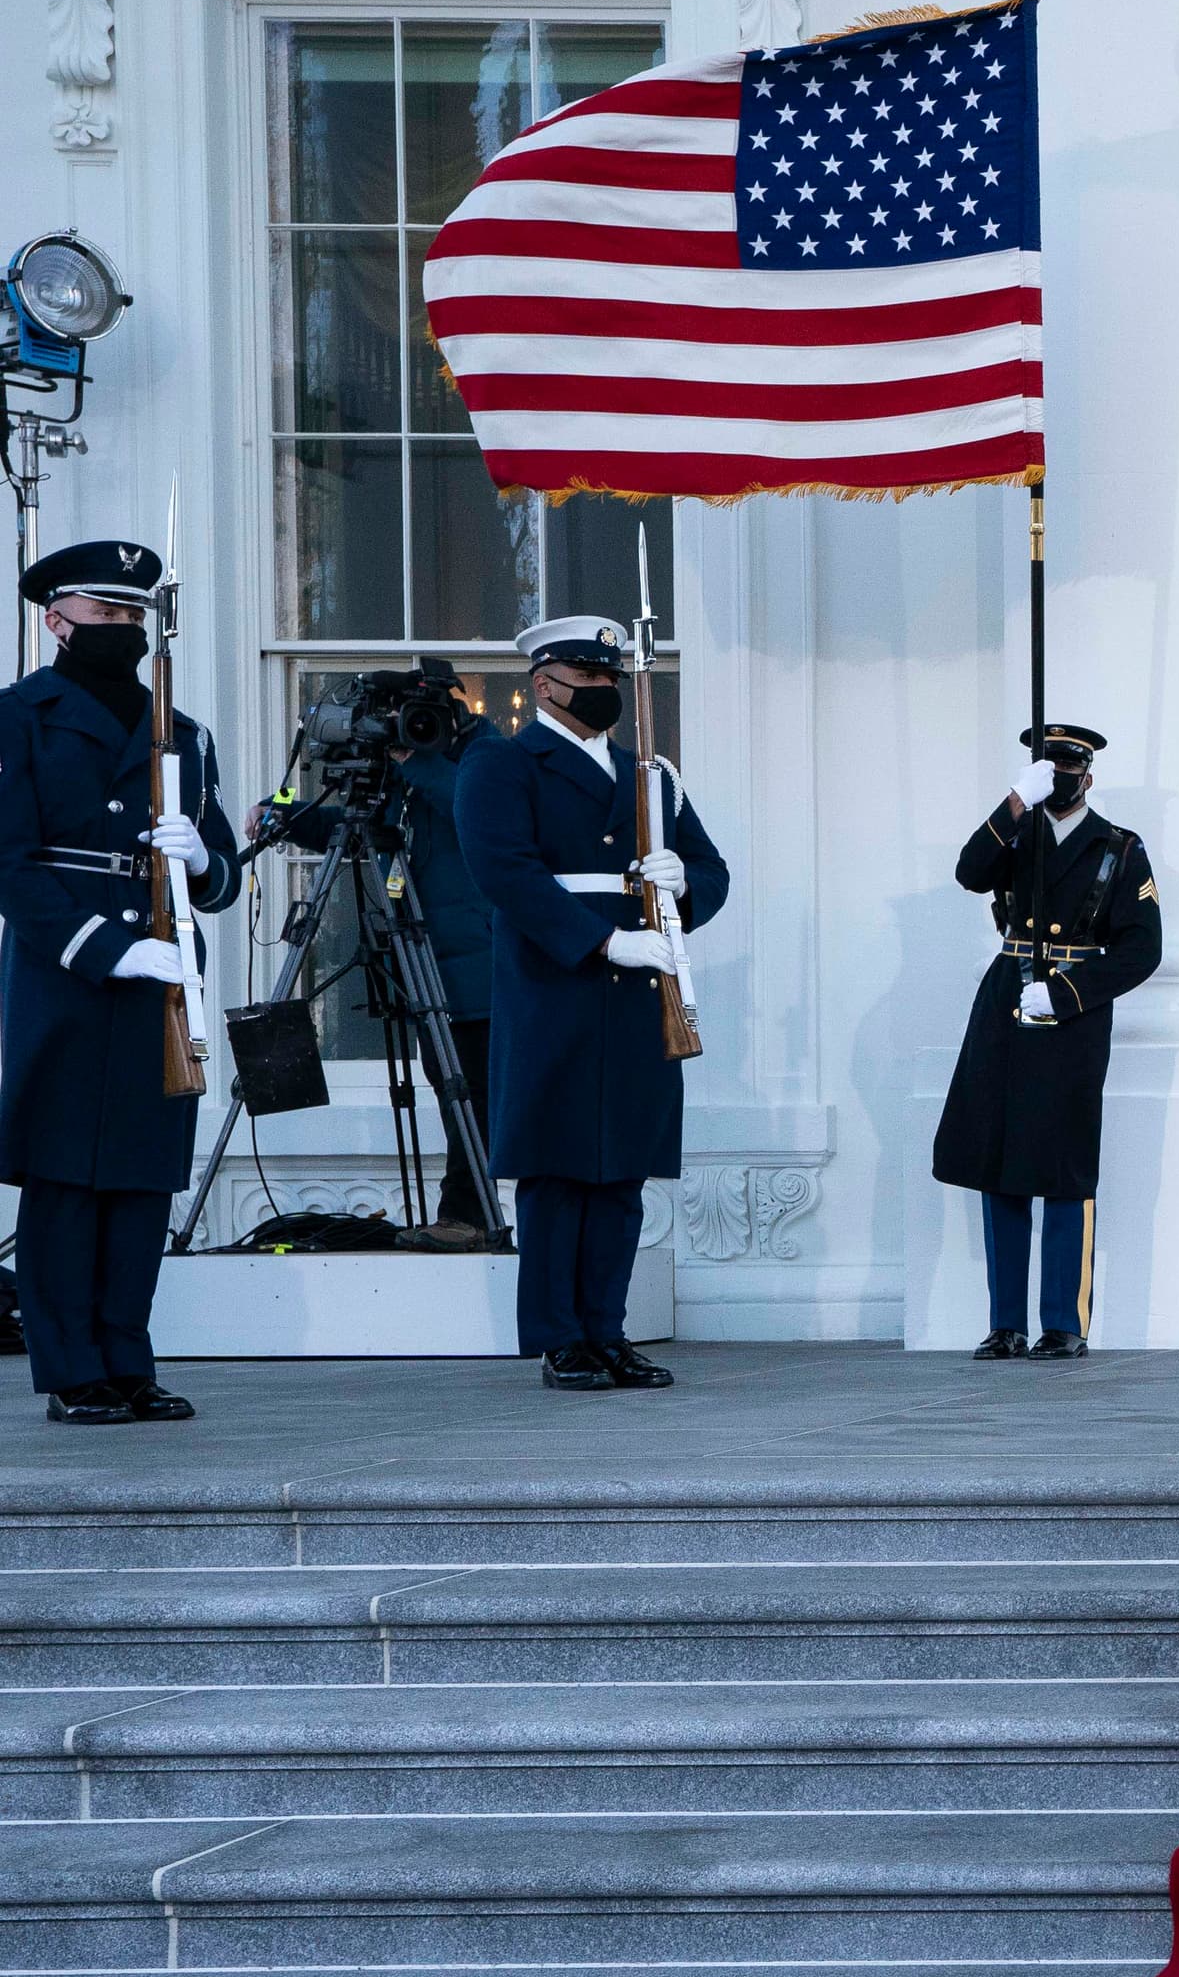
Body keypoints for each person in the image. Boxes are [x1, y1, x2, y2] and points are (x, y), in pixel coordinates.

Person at [0, 538, 243, 1424]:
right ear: (56, 619)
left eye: (132, 616)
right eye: (105, 614)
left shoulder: (183, 729)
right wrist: (103, 947)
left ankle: (127, 1357)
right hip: (71, 972)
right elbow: (12, 864)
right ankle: (71, 1370)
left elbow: (224, 875)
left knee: (142, 1178)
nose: (123, 629)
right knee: (67, 1178)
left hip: (166, 967)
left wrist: (205, 856)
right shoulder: (19, 716)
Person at [454, 615, 730, 1392]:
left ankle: (608, 1330)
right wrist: (603, 942)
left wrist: (682, 886)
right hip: (557, 987)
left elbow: (711, 871)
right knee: (558, 1171)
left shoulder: (651, 775)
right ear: (545, 683)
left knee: (620, 1175)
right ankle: (558, 1336)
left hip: (641, 994)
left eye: (613, 678)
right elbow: (508, 876)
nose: (605, 690)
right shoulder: (503, 766)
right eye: (591, 677)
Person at [931, 723, 1163, 1360]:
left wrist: (1066, 995)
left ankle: (1063, 1323)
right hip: (1008, 998)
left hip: (1071, 1011)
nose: (1059, 781)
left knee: (1063, 1165)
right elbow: (969, 872)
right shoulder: (1019, 831)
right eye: (1048, 771)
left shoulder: (1119, 846)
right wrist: (1012, 803)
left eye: (1068, 772)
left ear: (1088, 778)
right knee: (998, 1160)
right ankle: (1005, 1323)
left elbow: (1143, 948)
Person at [254, 667, 500, 1235]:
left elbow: (481, 810)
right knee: (450, 1085)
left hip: (476, 969)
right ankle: (463, 1216)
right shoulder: (395, 770)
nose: (410, 728)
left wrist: (420, 761)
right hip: (422, 962)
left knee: (472, 1095)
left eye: (422, 715)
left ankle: (464, 1216)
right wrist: (285, 811)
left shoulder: (484, 751)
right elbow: (355, 822)